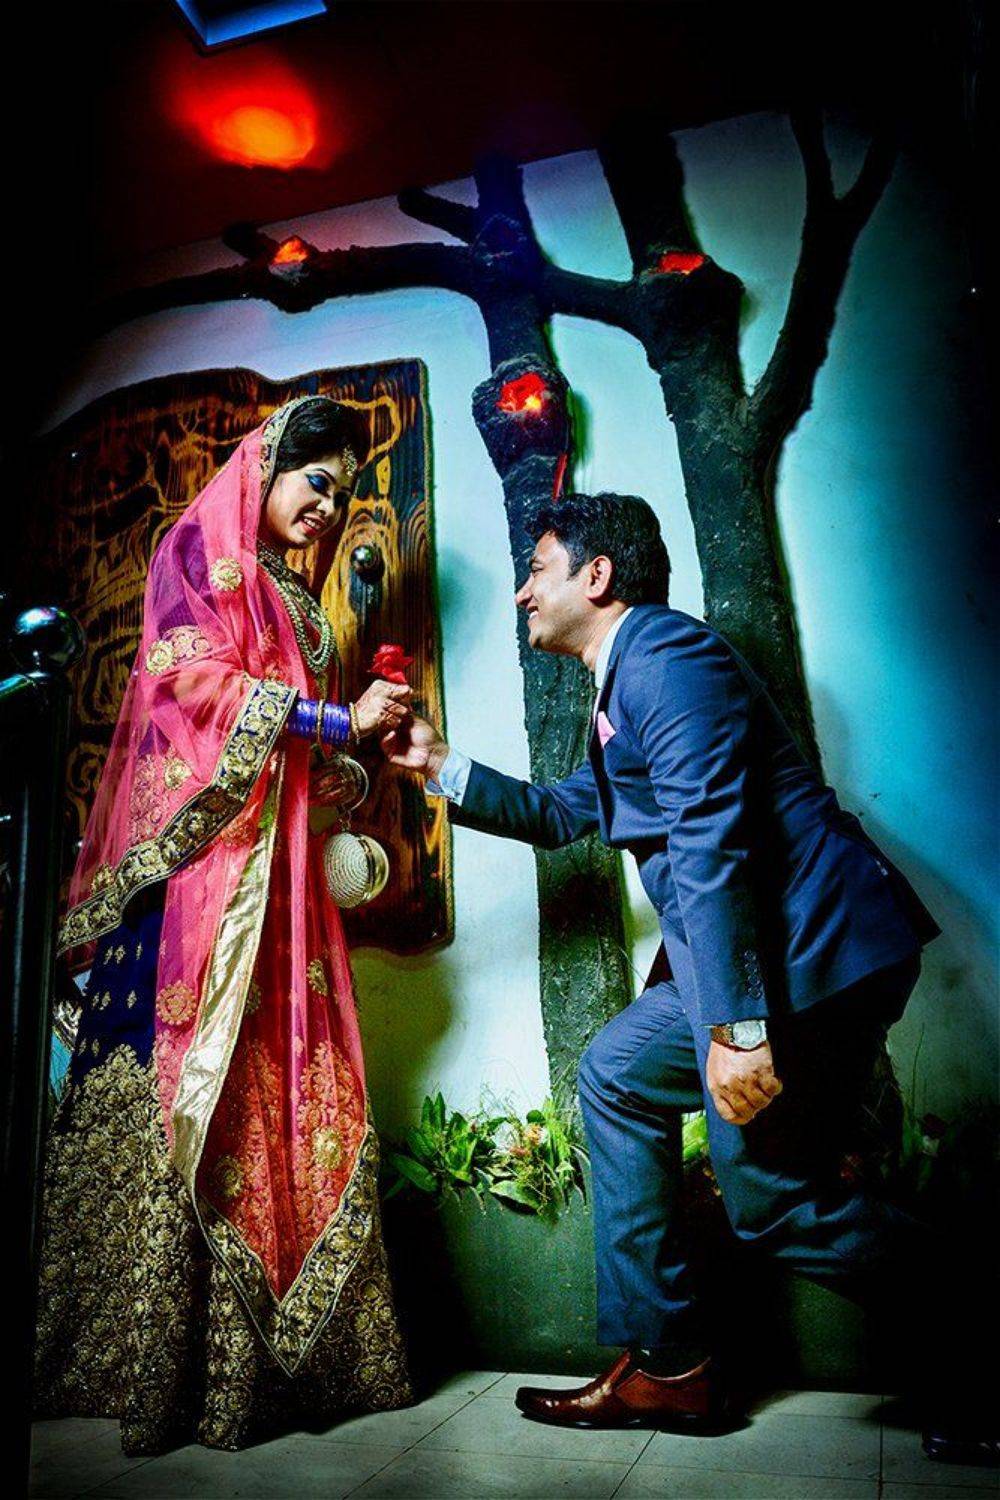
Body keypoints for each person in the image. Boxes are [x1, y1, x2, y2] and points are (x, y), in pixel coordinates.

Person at [383, 490, 989, 1459]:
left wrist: (735, 1031)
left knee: (771, 1199)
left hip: (816, 959)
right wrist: (439, 764)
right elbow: (563, 813)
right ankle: (668, 1365)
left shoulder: (667, 658)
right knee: (624, 1078)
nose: (522, 593)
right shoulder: (627, 683)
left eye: (537, 570)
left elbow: (712, 844)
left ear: (597, 574)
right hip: (785, 961)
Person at [35, 395, 413, 1452]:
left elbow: (297, 750)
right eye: (316, 484)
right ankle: (150, 1363)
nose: (327, 509)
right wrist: (332, 719)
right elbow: (190, 685)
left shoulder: (301, 603)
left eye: (342, 495)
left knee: (277, 1085)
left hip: (280, 894)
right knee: (190, 1088)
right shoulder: (199, 557)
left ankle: (280, 1368)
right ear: (267, 470)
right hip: (200, 884)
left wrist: (347, 762)